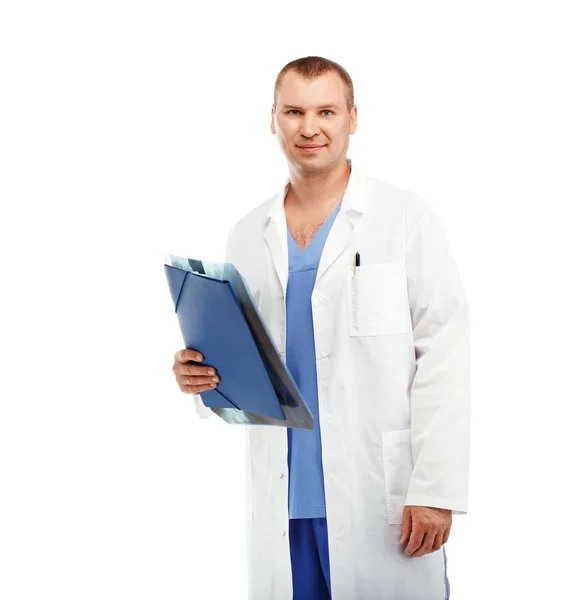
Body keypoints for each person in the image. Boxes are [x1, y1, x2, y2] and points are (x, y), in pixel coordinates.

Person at [172, 56, 470, 600]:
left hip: (381, 496)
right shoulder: (247, 234)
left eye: (326, 111)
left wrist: (435, 487)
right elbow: (244, 363)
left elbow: (444, 356)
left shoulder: (405, 218)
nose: (309, 127)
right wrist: (200, 376)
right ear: (273, 119)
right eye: (294, 111)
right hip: (284, 503)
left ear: (353, 118)